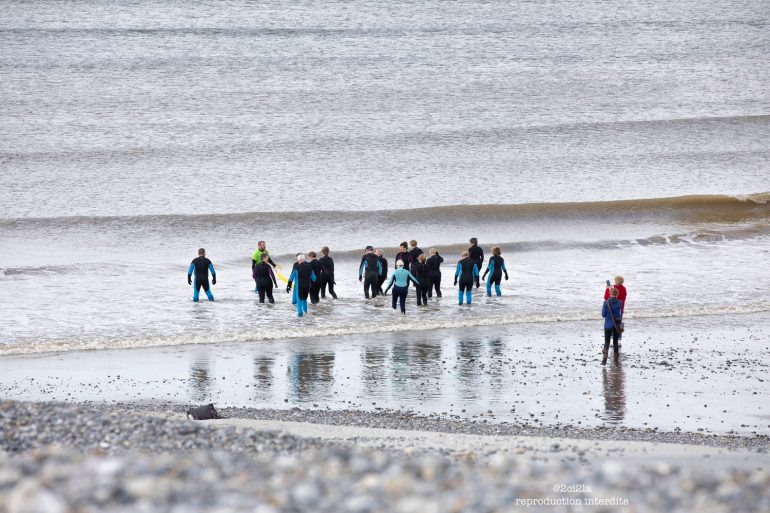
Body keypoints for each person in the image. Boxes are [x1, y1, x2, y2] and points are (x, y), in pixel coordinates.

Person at [602, 287, 623, 365]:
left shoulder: (605, 302)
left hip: (607, 325)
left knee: (607, 341)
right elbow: (620, 315)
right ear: (617, 294)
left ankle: (604, 358)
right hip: (616, 325)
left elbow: (603, 315)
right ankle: (616, 361)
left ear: (610, 294)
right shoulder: (620, 302)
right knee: (615, 342)